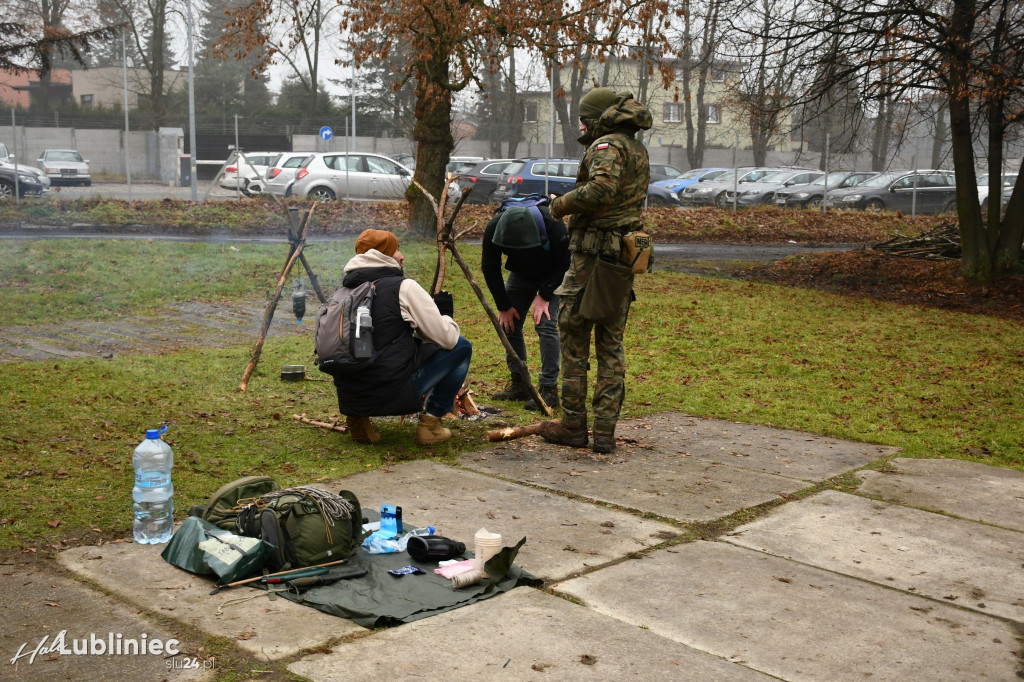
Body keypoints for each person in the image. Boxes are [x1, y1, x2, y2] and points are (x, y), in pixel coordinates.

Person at [538, 87, 652, 454]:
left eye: (586, 119)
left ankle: (573, 426)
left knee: (574, 337)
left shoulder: (607, 147)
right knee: (611, 343)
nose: (583, 125)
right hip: (623, 256)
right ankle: (604, 433)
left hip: (592, 257)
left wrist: (560, 206)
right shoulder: (636, 148)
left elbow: (602, 190)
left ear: (600, 118)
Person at [333, 229, 472, 446]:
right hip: (391, 394)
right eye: (396, 249)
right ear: (383, 254)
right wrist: (445, 315)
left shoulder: (342, 292)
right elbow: (446, 339)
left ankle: (358, 420)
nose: (401, 255)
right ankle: (431, 424)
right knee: (462, 346)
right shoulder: (403, 287)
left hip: (352, 397)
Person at [481, 202, 570, 411]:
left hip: (552, 273)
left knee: (545, 324)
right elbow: (490, 267)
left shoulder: (553, 223)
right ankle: (520, 383)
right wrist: (503, 306)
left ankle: (549, 389)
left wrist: (545, 295)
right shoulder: (494, 228)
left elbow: (565, 262)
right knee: (509, 323)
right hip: (521, 274)